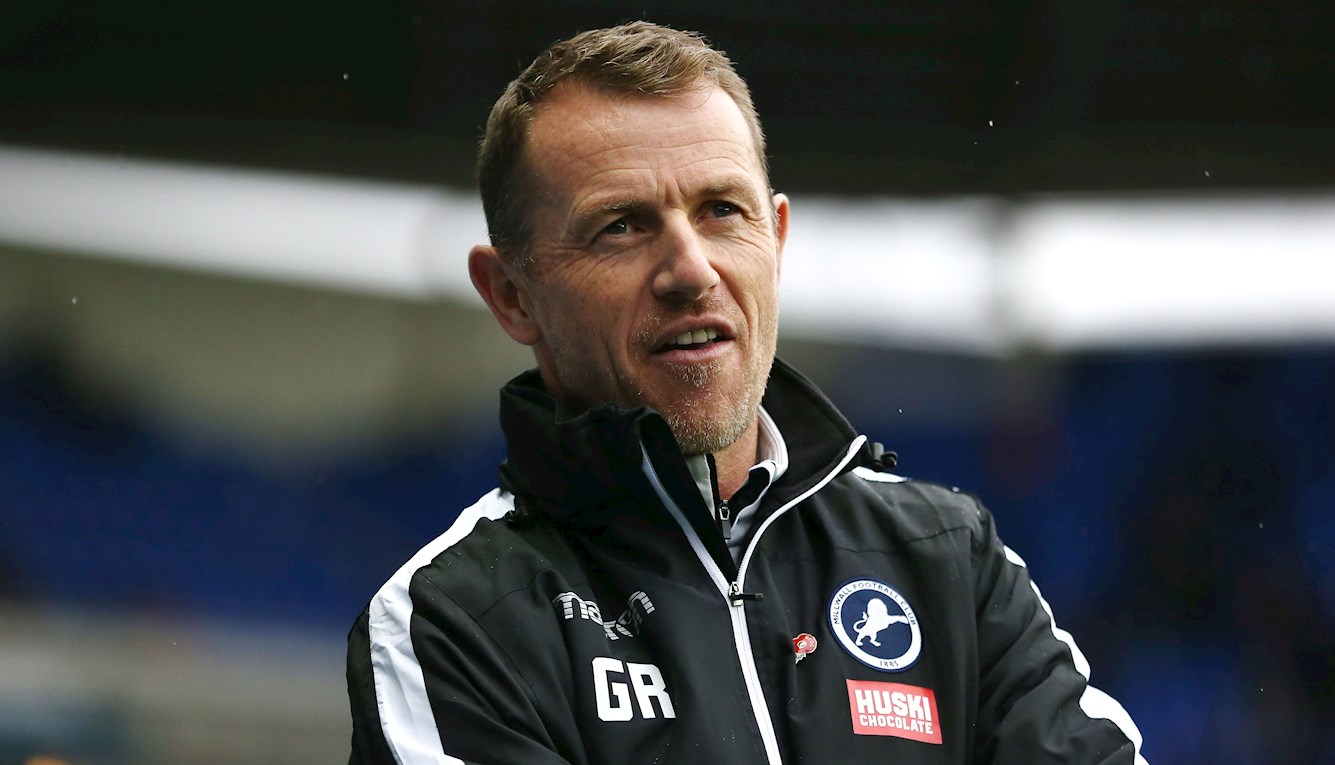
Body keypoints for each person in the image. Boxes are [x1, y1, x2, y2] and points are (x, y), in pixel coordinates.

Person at [347, 21, 1146, 765]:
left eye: (722, 211)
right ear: (511, 294)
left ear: (777, 239)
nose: (691, 270)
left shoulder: (949, 559)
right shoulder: (451, 622)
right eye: (621, 225)